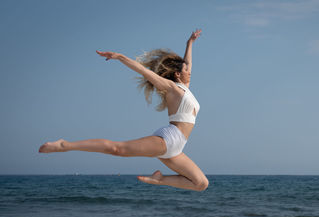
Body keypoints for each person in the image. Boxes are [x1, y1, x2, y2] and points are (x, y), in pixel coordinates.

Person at [39, 29, 208, 191]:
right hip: (169, 139)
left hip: (177, 148)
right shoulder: (172, 88)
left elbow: (188, 63)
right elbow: (143, 71)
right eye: (186, 70)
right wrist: (119, 57)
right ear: (178, 74)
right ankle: (64, 145)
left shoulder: (185, 87)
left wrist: (190, 42)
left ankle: (160, 179)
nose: (189, 71)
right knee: (118, 149)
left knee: (201, 183)